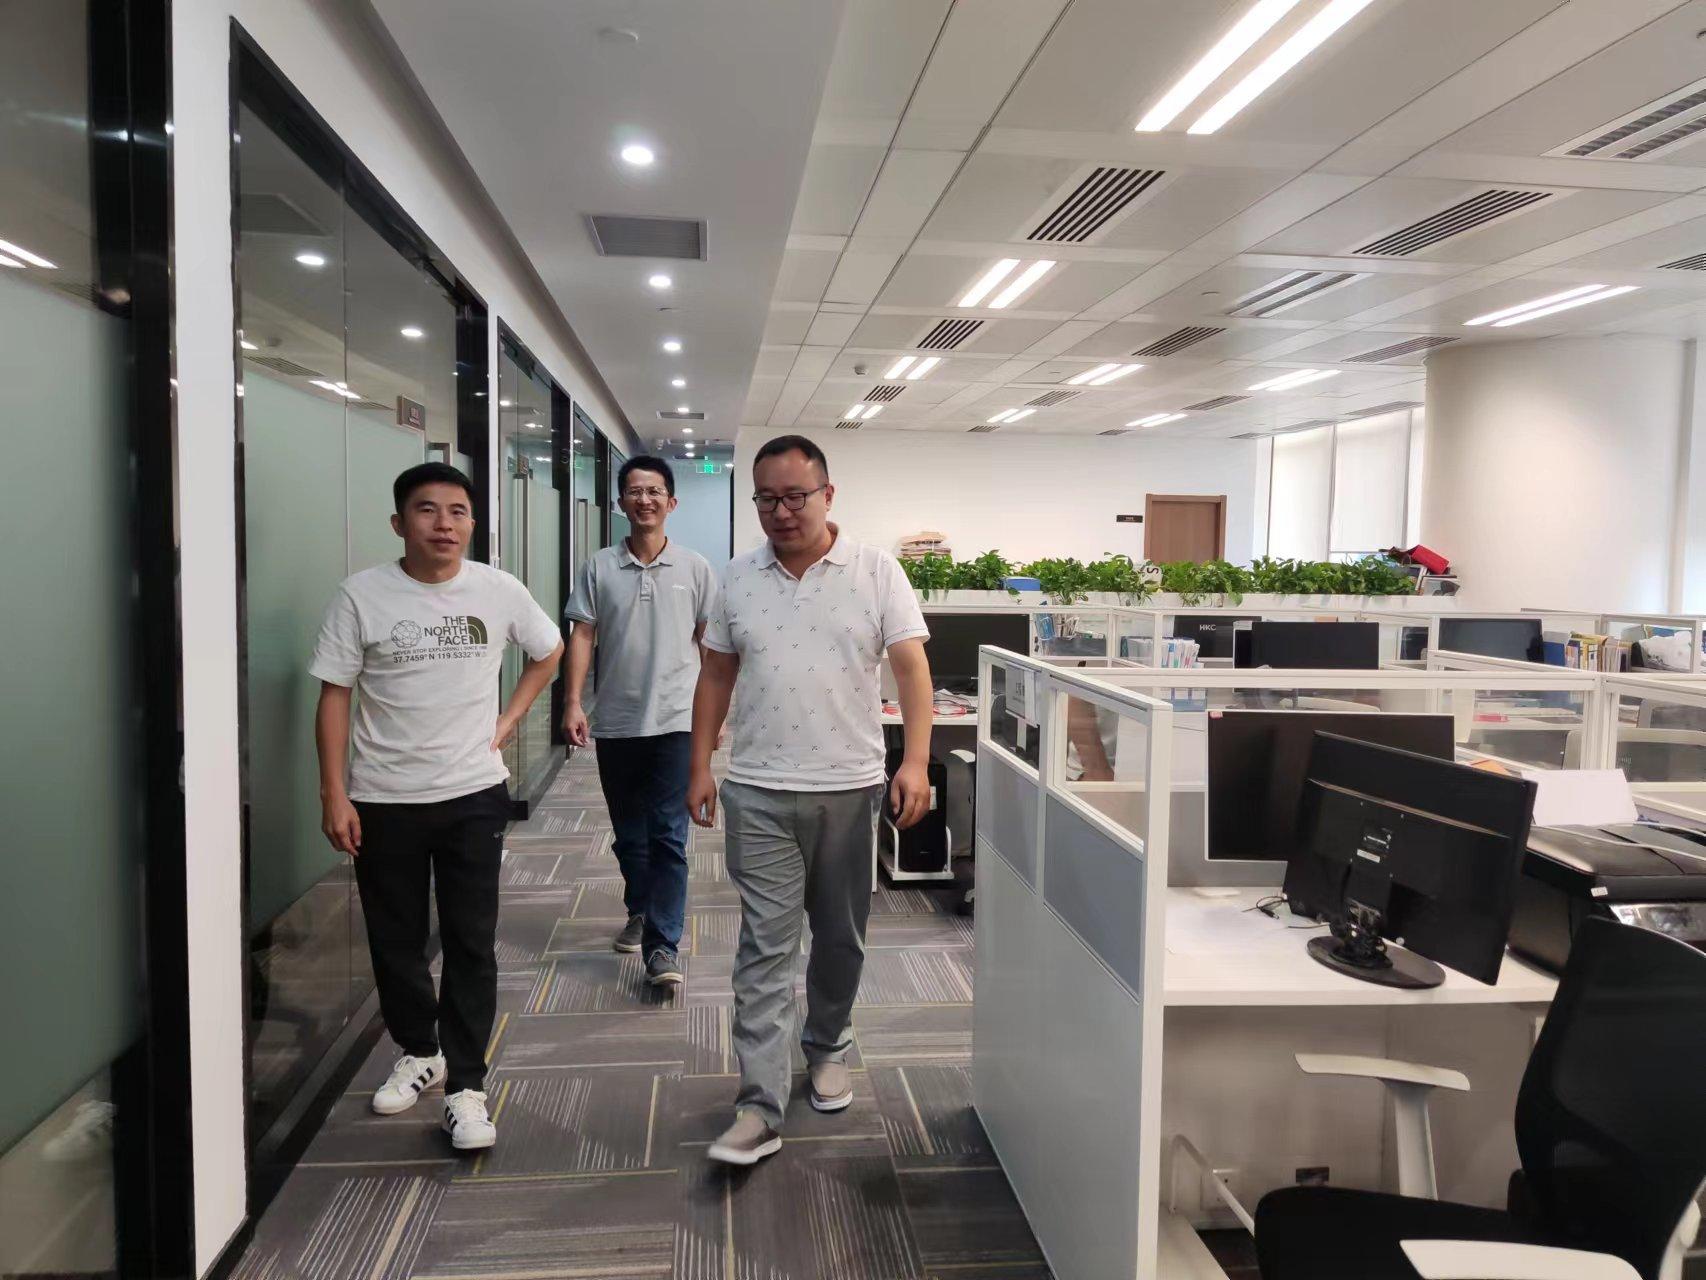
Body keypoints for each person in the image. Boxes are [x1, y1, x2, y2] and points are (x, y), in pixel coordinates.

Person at [687, 434, 934, 1166]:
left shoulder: (876, 571)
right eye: (766, 498)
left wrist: (915, 760)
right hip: (758, 788)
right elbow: (715, 676)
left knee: (839, 937)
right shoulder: (737, 577)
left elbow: (911, 669)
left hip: (849, 787)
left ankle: (827, 1044)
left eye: (796, 496)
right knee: (764, 947)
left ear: (828, 495)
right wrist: (700, 765)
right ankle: (758, 1106)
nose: (781, 511)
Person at [311, 462, 564, 1152]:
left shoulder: (498, 589)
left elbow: (549, 651)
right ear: (400, 523)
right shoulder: (361, 595)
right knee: (394, 939)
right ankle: (421, 1050)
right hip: (383, 796)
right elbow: (334, 693)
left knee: (470, 940)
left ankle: (467, 1087)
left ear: (472, 524)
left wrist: (511, 717)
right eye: (427, 510)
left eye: (457, 511)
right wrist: (333, 791)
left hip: (473, 793)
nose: (444, 524)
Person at [562, 454, 717, 988]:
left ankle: (662, 946)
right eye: (634, 491)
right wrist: (573, 702)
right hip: (618, 721)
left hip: (677, 720)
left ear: (671, 502)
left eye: (654, 491)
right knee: (630, 836)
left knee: (669, 835)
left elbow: (710, 645)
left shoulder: (695, 568)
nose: (644, 499)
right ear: (621, 502)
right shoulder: (599, 567)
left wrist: (713, 717)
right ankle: (640, 907)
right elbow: (582, 634)